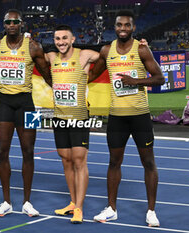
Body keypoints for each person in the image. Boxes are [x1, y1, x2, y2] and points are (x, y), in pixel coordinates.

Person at [89, 10, 164, 227]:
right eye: (119, 25)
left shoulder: (142, 49)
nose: (123, 28)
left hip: (139, 116)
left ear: (133, 28)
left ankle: (151, 211)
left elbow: (159, 78)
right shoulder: (106, 50)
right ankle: (111, 208)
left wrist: (135, 82)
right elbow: (93, 76)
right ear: (114, 27)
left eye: (127, 25)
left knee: (148, 162)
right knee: (114, 162)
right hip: (117, 118)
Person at [0, 9, 51, 217]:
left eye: (15, 22)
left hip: (27, 104)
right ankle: (6, 202)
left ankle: (27, 202)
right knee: (1, 151)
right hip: (4, 104)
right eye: (8, 22)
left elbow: (49, 76)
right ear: (4, 25)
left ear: (22, 24)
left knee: (28, 151)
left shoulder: (34, 47)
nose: (12, 25)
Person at [44, 24, 99, 224]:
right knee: (66, 159)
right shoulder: (51, 58)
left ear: (73, 39)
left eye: (65, 38)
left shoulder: (84, 55)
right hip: (59, 118)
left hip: (79, 117)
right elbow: (33, 56)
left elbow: (108, 56)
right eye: (57, 39)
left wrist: (90, 75)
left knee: (79, 160)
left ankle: (79, 208)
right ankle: (72, 201)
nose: (61, 42)